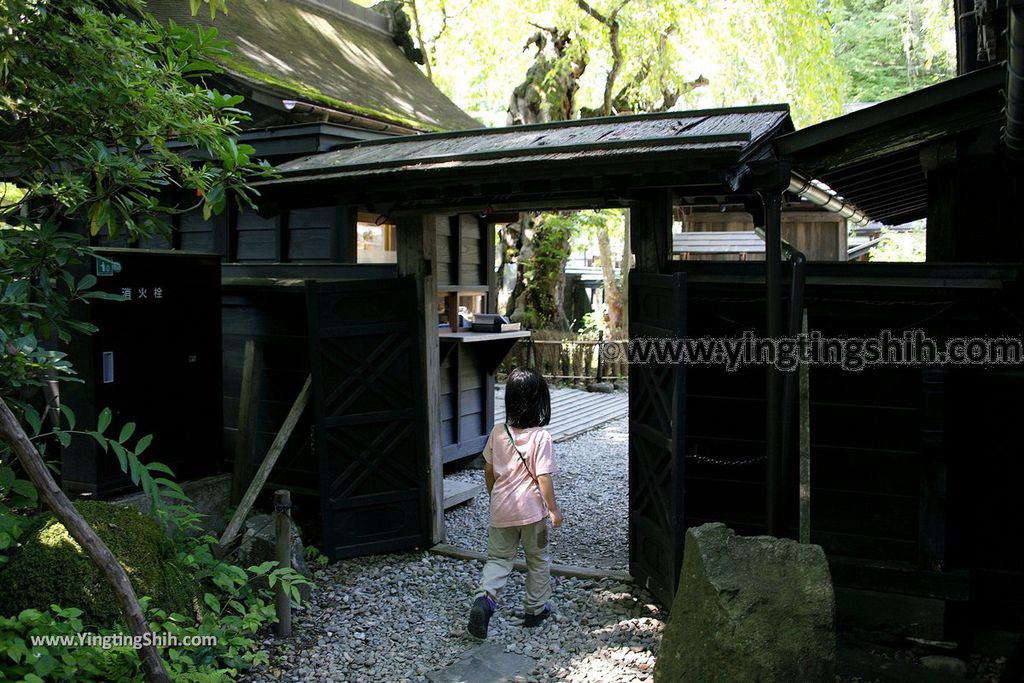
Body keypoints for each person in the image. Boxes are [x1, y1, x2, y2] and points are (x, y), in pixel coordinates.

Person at [467, 367, 564, 639]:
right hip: (532, 512)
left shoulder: (498, 432)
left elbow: (489, 470)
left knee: (498, 558)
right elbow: (543, 477)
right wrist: (554, 510)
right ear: (539, 401)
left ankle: (485, 599)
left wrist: (493, 494)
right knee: (537, 558)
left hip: (501, 509)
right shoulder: (540, 437)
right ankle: (535, 609)